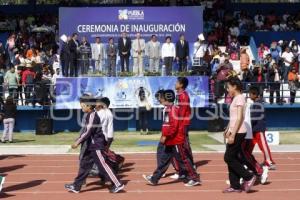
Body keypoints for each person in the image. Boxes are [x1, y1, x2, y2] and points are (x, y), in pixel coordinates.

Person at [65, 95, 124, 194]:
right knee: (84, 164)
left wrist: (77, 142)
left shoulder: (92, 115)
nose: (81, 107)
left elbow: (88, 131)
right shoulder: (90, 115)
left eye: (83, 106)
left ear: (89, 106)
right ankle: (76, 185)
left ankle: (118, 183)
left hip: (96, 145)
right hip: (90, 146)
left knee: (103, 165)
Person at [142, 89, 200, 187]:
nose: (159, 99)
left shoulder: (173, 109)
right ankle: (154, 179)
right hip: (170, 140)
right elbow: (167, 125)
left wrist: (165, 136)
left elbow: (174, 126)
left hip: (176, 140)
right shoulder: (168, 109)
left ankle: (194, 178)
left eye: (161, 97)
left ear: (166, 98)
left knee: (183, 160)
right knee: (164, 160)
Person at [223, 77, 256, 193]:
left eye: (228, 87)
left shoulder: (240, 98)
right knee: (233, 157)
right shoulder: (236, 98)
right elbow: (232, 118)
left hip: (239, 132)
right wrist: (227, 129)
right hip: (234, 131)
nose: (227, 90)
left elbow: (240, 117)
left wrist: (233, 134)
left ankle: (248, 176)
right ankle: (235, 185)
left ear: (235, 87)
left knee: (228, 157)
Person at [89, 97, 125, 178]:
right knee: (101, 156)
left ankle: (112, 171)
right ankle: (108, 170)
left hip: (99, 139)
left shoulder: (102, 114)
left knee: (98, 157)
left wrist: (108, 143)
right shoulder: (107, 113)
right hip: (102, 139)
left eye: (97, 103)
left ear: (103, 105)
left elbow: (109, 130)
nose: (95, 104)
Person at [242, 86, 269, 185]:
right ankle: (255, 169)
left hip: (257, 130)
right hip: (253, 130)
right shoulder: (256, 104)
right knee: (247, 152)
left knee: (262, 147)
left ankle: (266, 165)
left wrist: (244, 125)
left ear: (254, 94)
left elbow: (252, 118)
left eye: (250, 94)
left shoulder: (258, 104)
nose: (249, 96)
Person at [170, 77, 195, 180]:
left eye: (177, 82)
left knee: (184, 145)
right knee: (182, 146)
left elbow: (182, 112)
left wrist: (177, 125)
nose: (175, 84)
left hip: (183, 124)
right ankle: (184, 167)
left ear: (181, 85)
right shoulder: (179, 95)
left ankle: (190, 167)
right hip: (181, 123)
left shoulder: (183, 95)